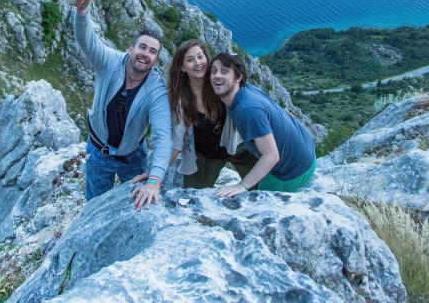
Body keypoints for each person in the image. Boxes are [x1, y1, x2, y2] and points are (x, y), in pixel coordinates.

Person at [71, 0, 172, 210]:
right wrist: (82, 11)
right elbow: (87, 41)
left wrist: (155, 181)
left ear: (156, 60)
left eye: (152, 51)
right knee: (95, 205)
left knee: (137, 204)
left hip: (133, 156)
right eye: (142, 47)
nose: (145, 54)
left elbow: (163, 136)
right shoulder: (109, 62)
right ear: (130, 49)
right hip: (99, 152)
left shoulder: (156, 90)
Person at [132, 39, 257, 188]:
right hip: (205, 156)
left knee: (260, 185)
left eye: (200, 56)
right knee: (192, 196)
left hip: (238, 145)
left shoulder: (219, 80)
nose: (198, 63)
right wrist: (155, 175)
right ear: (183, 67)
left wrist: (277, 116)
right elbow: (176, 143)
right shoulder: (180, 101)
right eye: (190, 60)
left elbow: (248, 97)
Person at [209, 52, 317, 197]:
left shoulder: (247, 110)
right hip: (305, 152)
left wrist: (242, 185)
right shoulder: (247, 89)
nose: (217, 75)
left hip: (291, 171)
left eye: (224, 71)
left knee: (257, 207)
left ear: (238, 77)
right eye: (214, 71)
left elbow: (271, 156)